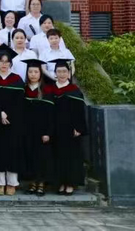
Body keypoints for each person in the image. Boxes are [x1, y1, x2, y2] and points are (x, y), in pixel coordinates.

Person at [48, 59, 87, 195]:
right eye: (59, 71)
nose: (62, 74)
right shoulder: (50, 90)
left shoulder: (74, 90)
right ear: (55, 73)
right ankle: (59, 183)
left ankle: (70, 183)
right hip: (55, 129)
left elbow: (80, 111)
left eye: (64, 71)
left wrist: (79, 128)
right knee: (57, 155)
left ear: (69, 73)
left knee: (71, 157)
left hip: (70, 130)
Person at [0, 45, 25, 195]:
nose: (4, 64)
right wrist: (0, 113)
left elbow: (19, 103)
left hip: (14, 122)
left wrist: (8, 114)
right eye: (1, 61)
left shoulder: (17, 80)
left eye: (6, 61)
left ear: (11, 63)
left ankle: (12, 182)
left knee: (13, 151)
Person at [23, 59, 54, 197]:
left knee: (42, 157)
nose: (33, 74)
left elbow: (51, 115)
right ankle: (32, 182)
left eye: (36, 71)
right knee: (29, 155)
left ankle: (41, 183)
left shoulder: (47, 90)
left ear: (40, 73)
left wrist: (48, 132)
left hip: (42, 131)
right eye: (30, 72)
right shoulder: (23, 89)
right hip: (28, 130)